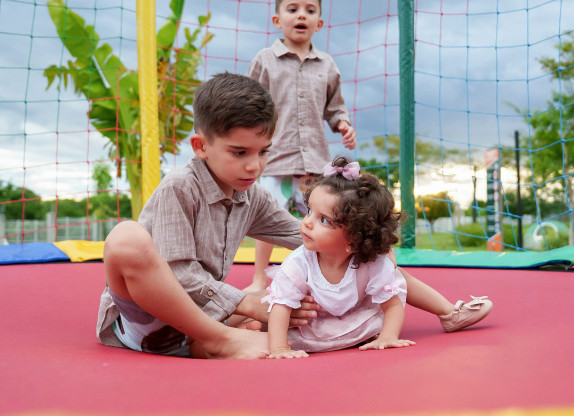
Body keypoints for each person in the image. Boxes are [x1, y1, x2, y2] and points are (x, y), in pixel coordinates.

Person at [96, 72, 316, 359]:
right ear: (201, 146)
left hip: (202, 318)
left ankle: (210, 339)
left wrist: (354, 236)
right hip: (150, 325)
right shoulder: (180, 186)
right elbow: (179, 273)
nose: (254, 166)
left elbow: (304, 236)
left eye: (263, 152)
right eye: (239, 153)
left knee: (288, 296)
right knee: (126, 238)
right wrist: (248, 304)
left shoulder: (253, 196)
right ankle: (221, 339)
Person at [262, 156, 493, 358]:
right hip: (313, 325)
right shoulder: (299, 263)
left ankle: (449, 313)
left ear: (353, 238)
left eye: (323, 220)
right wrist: (279, 348)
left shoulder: (370, 263)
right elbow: (281, 306)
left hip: (357, 318)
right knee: (271, 311)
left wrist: (388, 336)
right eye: (309, 211)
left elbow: (393, 306)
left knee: (394, 275)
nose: (306, 222)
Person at [246, 0, 356, 293]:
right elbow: (249, 102)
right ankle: (259, 278)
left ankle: (322, 277)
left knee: (322, 219)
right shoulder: (265, 60)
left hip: (314, 162)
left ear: (319, 23)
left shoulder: (326, 64)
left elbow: (335, 107)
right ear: (277, 20)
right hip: (276, 158)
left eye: (309, 10)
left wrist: (343, 124)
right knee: (267, 218)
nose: (301, 15)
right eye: (292, 9)